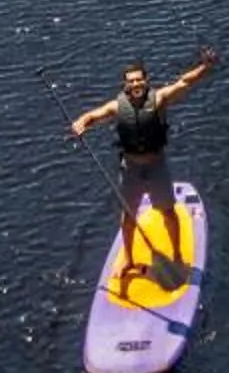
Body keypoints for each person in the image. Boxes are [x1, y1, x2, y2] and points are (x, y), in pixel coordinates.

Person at [72, 49, 217, 277]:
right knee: (128, 218)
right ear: (125, 85)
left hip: (156, 166)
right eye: (131, 81)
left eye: (140, 79)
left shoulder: (159, 99)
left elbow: (185, 82)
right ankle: (129, 261)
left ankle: (177, 256)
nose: (136, 83)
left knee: (168, 212)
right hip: (130, 169)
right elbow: (92, 116)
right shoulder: (116, 107)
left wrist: (205, 67)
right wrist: (80, 123)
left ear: (146, 81)